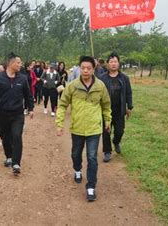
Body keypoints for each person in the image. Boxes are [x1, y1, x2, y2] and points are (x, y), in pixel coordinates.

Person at [55, 56, 111, 202]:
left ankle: (91, 187)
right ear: (79, 68)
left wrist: (107, 120)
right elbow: (62, 105)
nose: (85, 71)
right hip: (77, 127)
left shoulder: (100, 86)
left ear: (94, 69)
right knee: (76, 154)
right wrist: (59, 124)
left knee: (92, 157)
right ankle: (78, 169)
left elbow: (106, 105)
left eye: (89, 68)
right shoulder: (72, 86)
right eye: (83, 68)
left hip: (94, 128)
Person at [0, 53, 34, 175]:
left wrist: (31, 108)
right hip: (2, 114)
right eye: (18, 62)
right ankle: (9, 157)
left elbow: (28, 95)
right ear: (11, 63)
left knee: (17, 136)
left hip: (18, 113)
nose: (20, 65)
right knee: (6, 137)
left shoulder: (22, 78)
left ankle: (16, 163)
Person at [99, 52, 133, 162]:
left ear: (118, 64)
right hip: (106, 111)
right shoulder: (102, 78)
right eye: (111, 62)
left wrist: (129, 107)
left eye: (115, 62)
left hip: (120, 110)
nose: (113, 64)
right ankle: (107, 152)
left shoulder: (124, 78)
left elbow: (128, 93)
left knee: (119, 131)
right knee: (106, 132)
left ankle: (116, 142)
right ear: (108, 64)